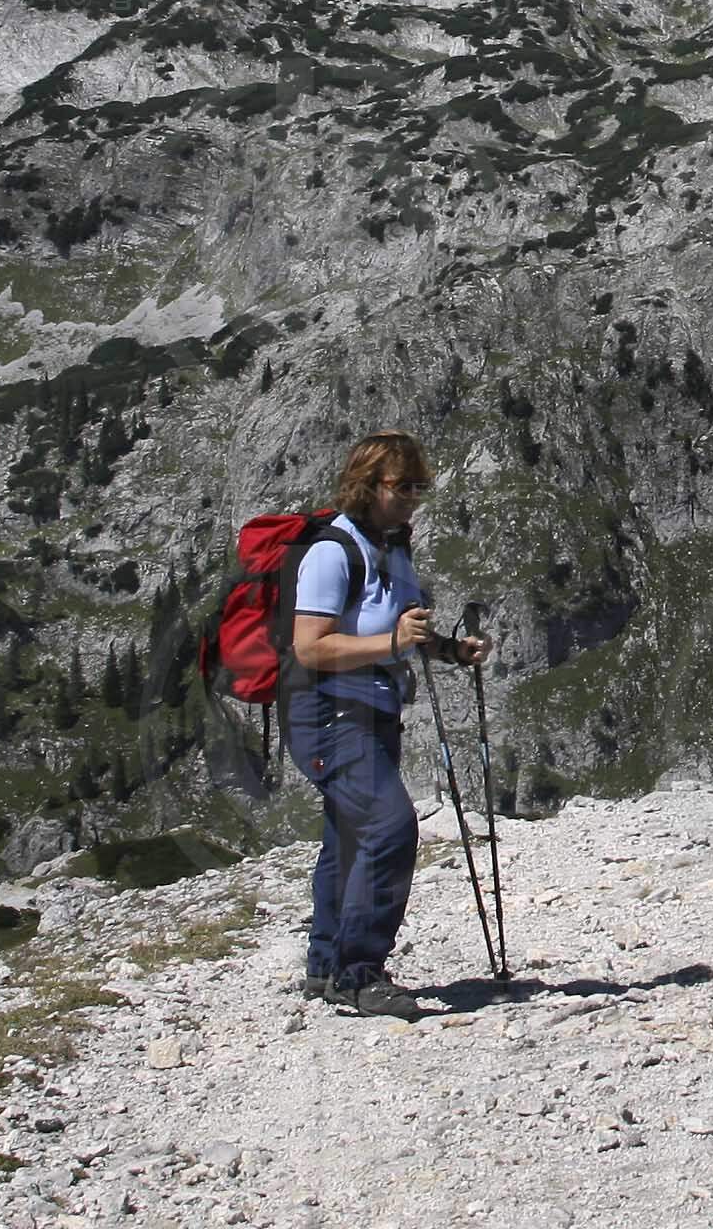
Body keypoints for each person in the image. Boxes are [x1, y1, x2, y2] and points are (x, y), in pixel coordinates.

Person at [284, 429, 489, 1015]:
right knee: (392, 828)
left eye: (421, 486)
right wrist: (391, 640)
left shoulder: (395, 548)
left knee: (348, 838)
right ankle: (359, 972)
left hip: (373, 710)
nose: (413, 497)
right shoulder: (333, 551)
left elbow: (401, 634)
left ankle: (326, 967)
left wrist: (449, 650)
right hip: (326, 712)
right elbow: (309, 648)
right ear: (368, 483)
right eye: (402, 485)